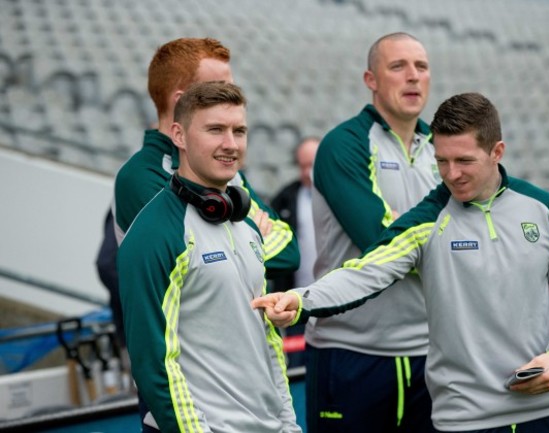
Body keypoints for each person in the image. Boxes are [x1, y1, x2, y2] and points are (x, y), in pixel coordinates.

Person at [253, 92, 549, 433]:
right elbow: (364, 273)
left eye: (464, 161)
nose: (451, 174)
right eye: (442, 161)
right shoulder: (426, 220)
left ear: (497, 152)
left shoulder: (543, 210)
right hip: (464, 421)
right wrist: (301, 300)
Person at [107, 37, 299, 429]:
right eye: (215, 127)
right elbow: (155, 356)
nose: (230, 144)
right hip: (195, 413)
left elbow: (288, 251)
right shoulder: (144, 187)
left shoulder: (227, 185)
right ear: (182, 108)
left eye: (239, 130)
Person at [296, 32, 440, 432]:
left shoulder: (443, 150)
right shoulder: (344, 145)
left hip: (432, 352)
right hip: (352, 352)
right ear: (371, 79)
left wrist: (406, 226)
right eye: (398, 66)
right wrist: (447, 238)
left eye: (421, 66)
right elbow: (382, 242)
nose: (413, 76)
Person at [269, 136, 320, 367]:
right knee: (300, 367)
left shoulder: (341, 196)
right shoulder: (285, 198)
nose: (308, 172)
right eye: (303, 166)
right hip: (297, 303)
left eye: (313, 165)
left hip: (339, 302)